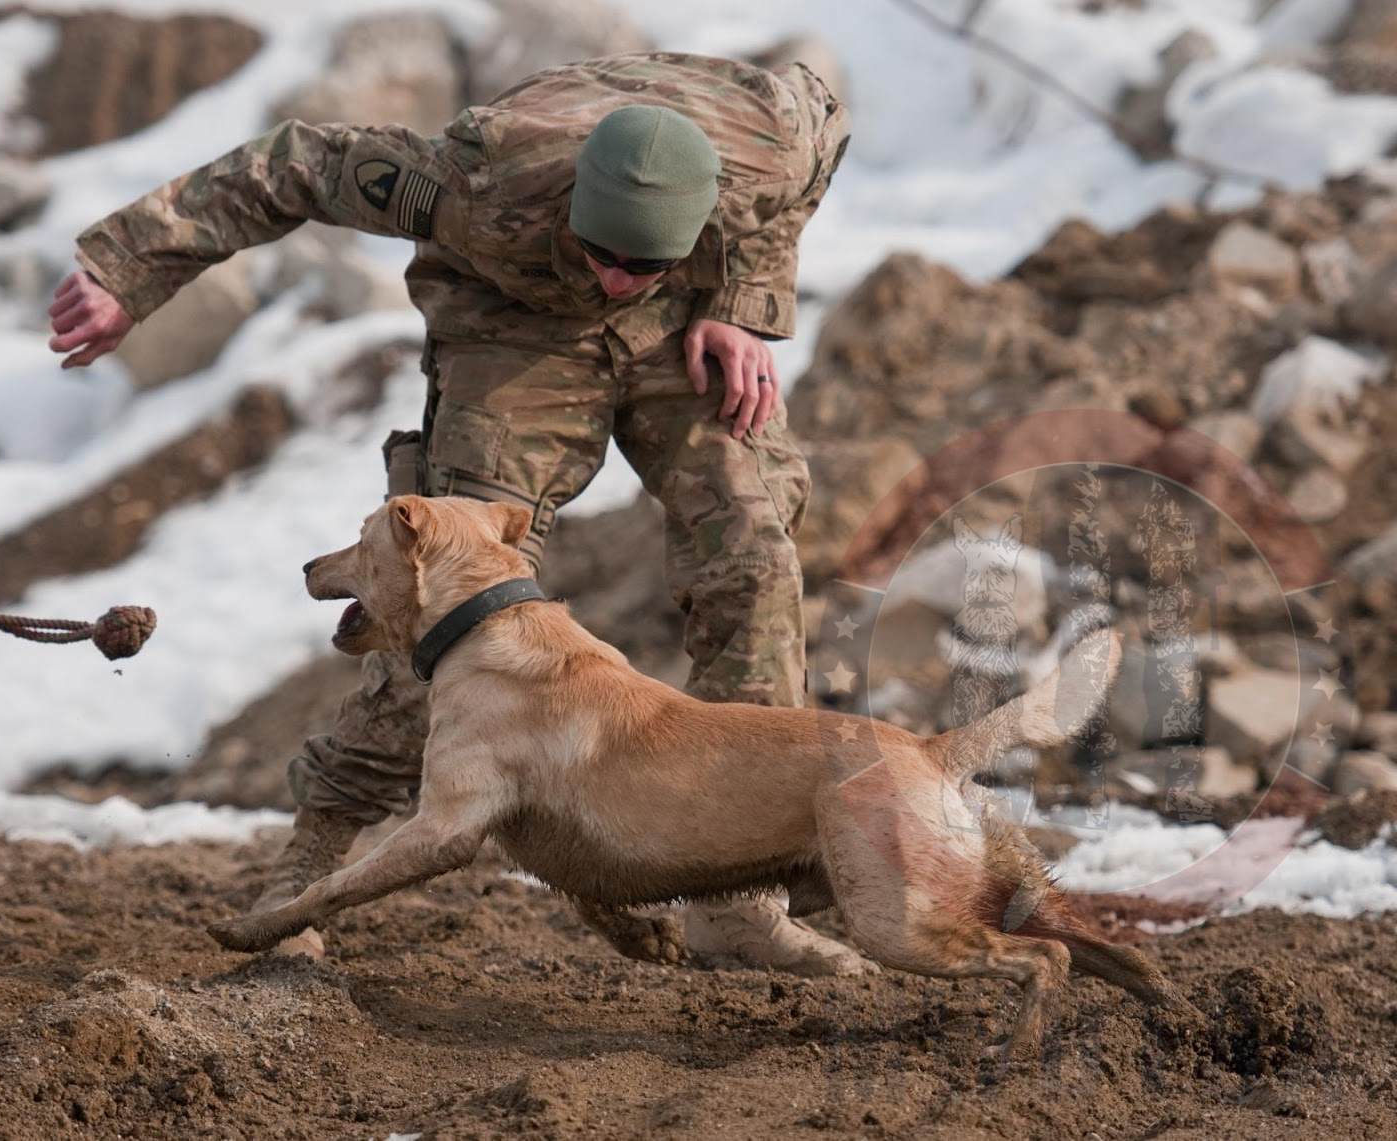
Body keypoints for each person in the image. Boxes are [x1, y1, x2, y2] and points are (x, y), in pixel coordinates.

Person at [48, 51, 861, 975]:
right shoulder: (473, 179)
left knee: (753, 553)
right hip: (512, 328)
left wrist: (742, 301)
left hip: (686, 326)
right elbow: (293, 164)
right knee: (445, 588)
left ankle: (734, 901)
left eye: (646, 259)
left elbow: (822, 139)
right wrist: (129, 268)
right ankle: (310, 858)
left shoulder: (767, 139)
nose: (620, 279)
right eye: (606, 254)